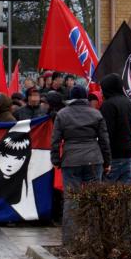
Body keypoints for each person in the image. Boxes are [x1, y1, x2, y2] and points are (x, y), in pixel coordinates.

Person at [50, 85, 111, 245]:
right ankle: (95, 238)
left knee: (71, 199)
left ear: (71, 97)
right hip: (93, 158)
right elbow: (104, 140)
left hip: (71, 160)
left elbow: (55, 140)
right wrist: (107, 161)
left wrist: (56, 160)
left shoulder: (62, 115)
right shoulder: (96, 114)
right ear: (85, 97)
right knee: (93, 198)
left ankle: (70, 238)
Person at [99, 73, 131, 184]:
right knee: (124, 194)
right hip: (128, 152)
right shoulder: (129, 103)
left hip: (114, 154)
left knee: (107, 194)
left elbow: (106, 132)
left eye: (102, 88)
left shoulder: (108, 105)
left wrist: (105, 157)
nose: (101, 92)